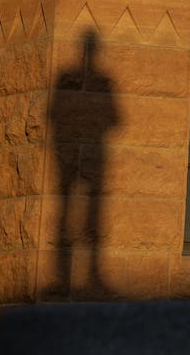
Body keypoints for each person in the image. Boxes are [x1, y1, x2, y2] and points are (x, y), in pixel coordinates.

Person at [46, 30, 121, 298]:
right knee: (67, 213)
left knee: (91, 214)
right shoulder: (66, 77)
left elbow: (115, 118)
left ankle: (91, 275)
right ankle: (61, 277)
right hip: (68, 152)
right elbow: (54, 115)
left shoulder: (103, 81)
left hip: (95, 154)